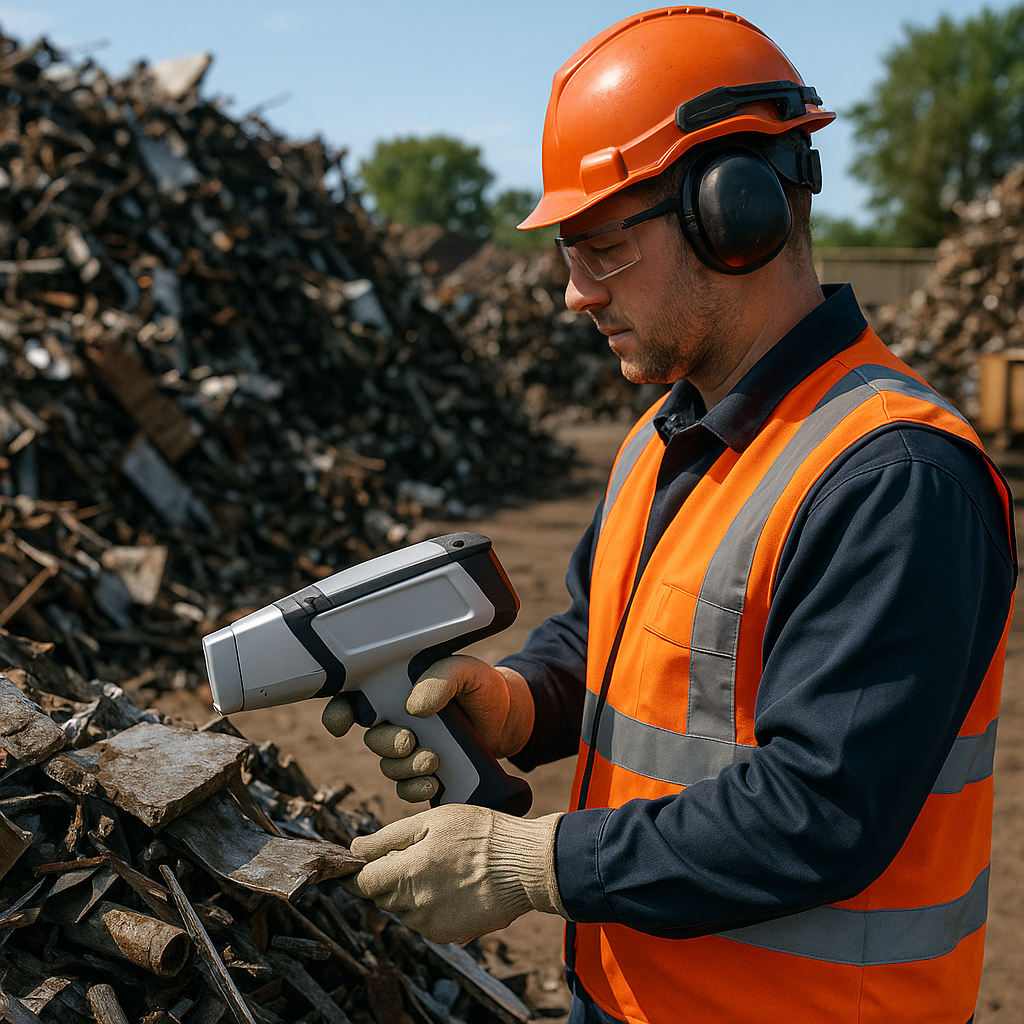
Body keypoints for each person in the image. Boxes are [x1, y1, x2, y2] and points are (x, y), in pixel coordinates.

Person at [322, 9, 1017, 1023]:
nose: (571, 293)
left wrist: (529, 859)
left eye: (600, 250)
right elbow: (608, 634)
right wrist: (520, 702)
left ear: (734, 216)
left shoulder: (893, 477)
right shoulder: (669, 431)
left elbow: (820, 810)